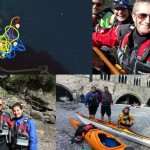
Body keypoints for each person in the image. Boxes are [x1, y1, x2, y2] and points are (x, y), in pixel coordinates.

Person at [92, 0, 150, 74]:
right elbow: (96, 38)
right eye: (142, 15)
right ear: (133, 16)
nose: (148, 21)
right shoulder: (123, 31)